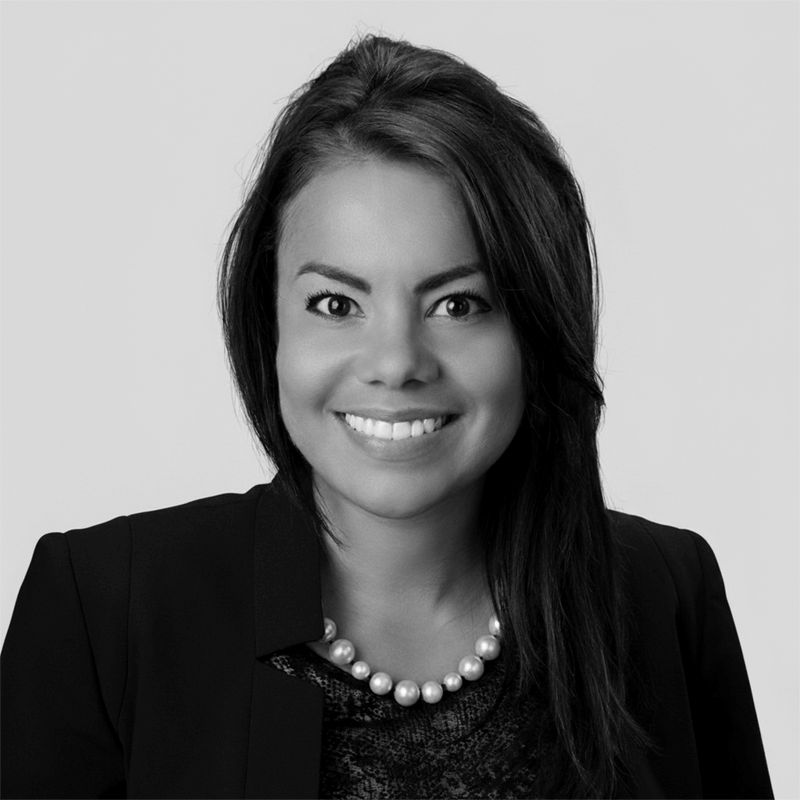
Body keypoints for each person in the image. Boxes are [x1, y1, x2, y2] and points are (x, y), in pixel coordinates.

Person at [0, 34, 773, 800]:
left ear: (537, 328)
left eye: (458, 304)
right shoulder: (104, 610)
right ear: (269, 324)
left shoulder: (666, 595)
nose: (397, 361)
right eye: (337, 304)